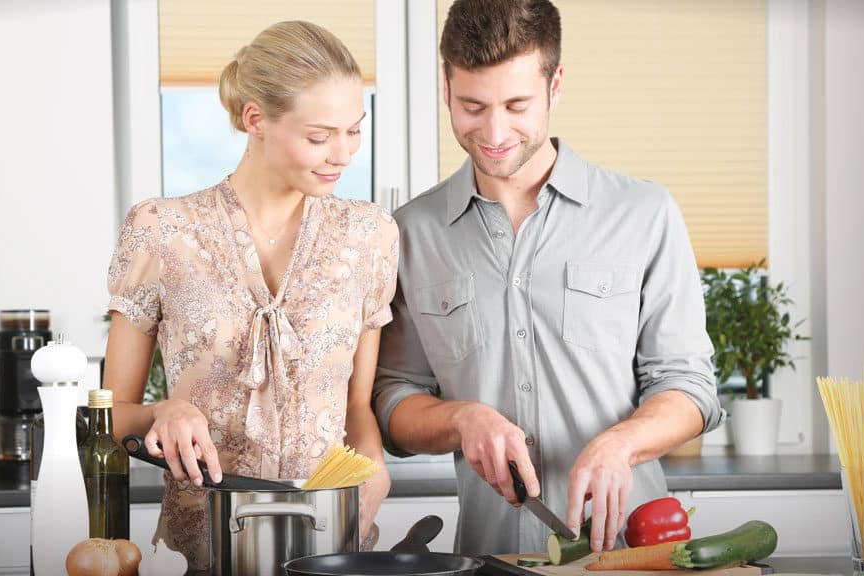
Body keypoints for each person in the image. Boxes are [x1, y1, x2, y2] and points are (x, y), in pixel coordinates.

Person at [372, 0, 724, 557]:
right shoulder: (411, 233)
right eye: (471, 105)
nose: (493, 131)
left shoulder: (644, 214)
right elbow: (394, 398)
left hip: (632, 558)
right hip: (488, 557)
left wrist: (623, 443)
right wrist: (461, 418)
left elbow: (690, 387)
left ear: (555, 85)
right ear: (445, 87)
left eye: (516, 105)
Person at [104, 21, 397, 571]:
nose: (343, 154)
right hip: (205, 550)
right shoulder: (162, 230)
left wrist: (374, 466)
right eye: (319, 136)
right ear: (255, 119)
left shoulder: (370, 235)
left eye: (354, 130)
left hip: (333, 548)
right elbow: (107, 420)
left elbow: (358, 407)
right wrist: (163, 411)